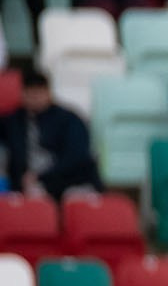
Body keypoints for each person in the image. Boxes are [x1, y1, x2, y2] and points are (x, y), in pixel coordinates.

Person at [3, 68, 102, 199]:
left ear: (48, 93)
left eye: (39, 93)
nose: (35, 98)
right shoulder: (12, 122)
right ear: (23, 93)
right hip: (28, 185)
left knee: (75, 196)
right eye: (30, 93)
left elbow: (77, 156)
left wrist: (42, 175)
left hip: (67, 181)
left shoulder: (69, 119)